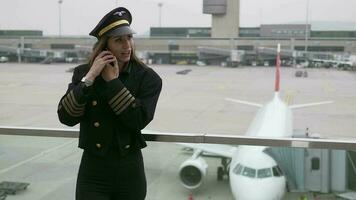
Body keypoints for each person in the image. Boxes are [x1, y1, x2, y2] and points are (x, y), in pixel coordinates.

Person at [57, 7, 162, 200]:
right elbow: (66, 117)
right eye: (119, 40)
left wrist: (113, 82)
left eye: (129, 38)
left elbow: (137, 120)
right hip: (93, 170)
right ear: (105, 47)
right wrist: (90, 77)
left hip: (129, 170)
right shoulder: (84, 73)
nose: (127, 45)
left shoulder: (147, 78)